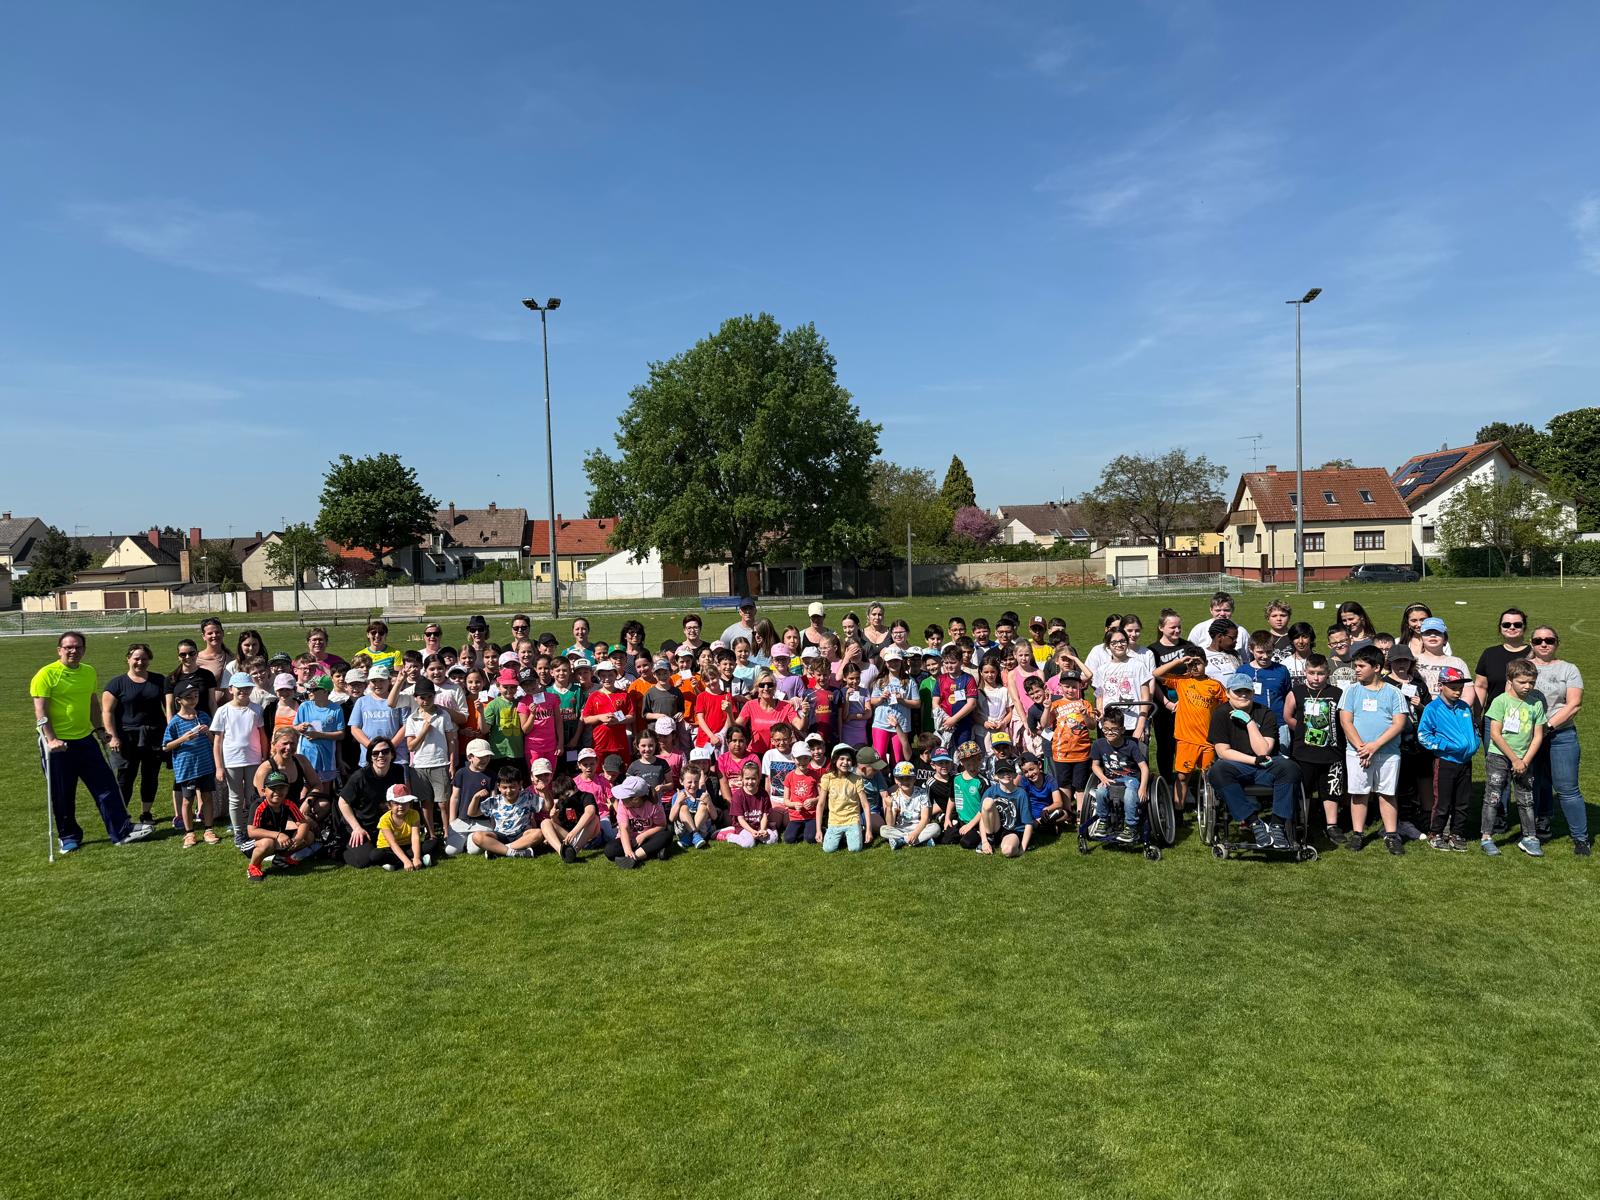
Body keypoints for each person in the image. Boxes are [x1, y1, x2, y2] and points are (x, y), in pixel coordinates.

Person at [1206, 673, 1302, 851]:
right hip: (1237, 765)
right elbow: (1223, 752)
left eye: (1247, 691)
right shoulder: (1220, 714)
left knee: (1290, 768)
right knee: (1217, 771)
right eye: (1238, 692)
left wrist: (1250, 723)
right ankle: (1254, 822)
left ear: (1253, 693)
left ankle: (1277, 825)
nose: (1243, 695)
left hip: (1265, 765)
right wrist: (1254, 760)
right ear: (1228, 693)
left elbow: (1263, 751)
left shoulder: (1265, 713)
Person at [1337, 648, 1409, 854]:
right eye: (1356, 666)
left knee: (1387, 794)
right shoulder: (1351, 691)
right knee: (1359, 793)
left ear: (1376, 668)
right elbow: (1346, 721)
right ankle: (1358, 834)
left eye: (1361, 666)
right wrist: (1362, 748)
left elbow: (1398, 724)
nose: (1356, 670)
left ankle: (1391, 835)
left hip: (1387, 753)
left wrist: (1374, 746)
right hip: (1357, 753)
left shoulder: (1394, 693)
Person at [1528, 625, 1588, 855]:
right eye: (1538, 640)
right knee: (1534, 785)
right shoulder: (1523, 666)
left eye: (1549, 640)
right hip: (1529, 737)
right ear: (1532, 643)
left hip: (1561, 735)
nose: (1544, 644)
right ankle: (1533, 831)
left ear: (1557, 643)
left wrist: (1548, 726)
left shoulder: (1568, 669)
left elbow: (1574, 704)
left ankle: (1580, 838)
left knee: (1567, 788)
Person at [337, 738, 437, 867]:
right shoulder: (360, 776)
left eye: (385, 751)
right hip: (364, 826)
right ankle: (338, 850)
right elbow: (342, 802)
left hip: (389, 825)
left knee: (429, 844)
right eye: (375, 753)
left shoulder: (398, 771)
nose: (380, 756)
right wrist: (356, 828)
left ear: (392, 754)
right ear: (370, 757)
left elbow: (402, 799)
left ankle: (401, 858)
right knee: (364, 860)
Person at [1482, 659, 1546, 857]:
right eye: (1522, 682)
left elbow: (1538, 735)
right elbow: (1495, 734)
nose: (1527, 686)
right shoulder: (1500, 701)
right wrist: (1514, 759)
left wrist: (1524, 761)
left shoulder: (1536, 703)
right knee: (1493, 796)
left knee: (1526, 797)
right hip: (1499, 756)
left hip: (1525, 758)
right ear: (1510, 680)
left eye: (1531, 682)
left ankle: (1530, 837)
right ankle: (1486, 836)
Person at [102, 643, 169, 826]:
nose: (140, 662)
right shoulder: (116, 684)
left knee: (150, 776)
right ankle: (121, 815)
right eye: (136, 658)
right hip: (126, 738)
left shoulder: (159, 680)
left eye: (144, 659)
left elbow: (169, 708)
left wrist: (171, 732)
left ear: (149, 660)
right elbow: (107, 712)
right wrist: (112, 736)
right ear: (128, 659)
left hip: (154, 735)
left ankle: (146, 813)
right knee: (125, 778)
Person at [1283, 653, 1344, 846]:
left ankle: (1332, 825)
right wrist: (1303, 730)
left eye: (1320, 673)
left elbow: (1344, 720)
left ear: (1328, 673)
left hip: (1332, 751)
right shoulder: (1296, 692)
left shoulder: (1337, 693)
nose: (1316, 678)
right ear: (1305, 672)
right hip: (1304, 752)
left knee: (1331, 789)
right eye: (1311, 673)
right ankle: (1303, 824)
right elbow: (1288, 716)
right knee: (1304, 790)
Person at [1417, 667, 1479, 851]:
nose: (1457, 691)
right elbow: (1423, 735)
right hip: (1445, 761)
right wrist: (1445, 746)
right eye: (1453, 688)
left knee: (1462, 801)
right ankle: (1436, 833)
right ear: (1441, 686)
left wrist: (1475, 742)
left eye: (1460, 688)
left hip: (1465, 762)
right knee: (1442, 801)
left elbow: (1473, 728)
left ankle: (1456, 833)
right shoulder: (1433, 708)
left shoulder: (1464, 707)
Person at [210, 671, 267, 850]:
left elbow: (262, 735)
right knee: (235, 798)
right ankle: (238, 832)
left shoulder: (256, 709)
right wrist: (219, 767)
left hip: (253, 759)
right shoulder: (223, 711)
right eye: (239, 688)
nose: (243, 691)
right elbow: (217, 741)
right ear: (231, 689)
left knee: (252, 796)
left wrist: (264, 756)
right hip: (232, 760)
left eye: (247, 688)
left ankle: (251, 828)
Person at [162, 683, 217, 847]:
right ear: (179, 700)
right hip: (186, 768)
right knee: (187, 800)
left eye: (196, 696)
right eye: (189, 697)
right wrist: (184, 738)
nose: (193, 700)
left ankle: (209, 829)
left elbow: (214, 741)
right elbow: (165, 746)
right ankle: (189, 833)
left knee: (207, 797)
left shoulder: (203, 716)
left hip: (206, 765)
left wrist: (208, 733)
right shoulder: (175, 722)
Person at [1087, 708, 1149, 844]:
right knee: (1100, 791)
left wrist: (1143, 788)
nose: (1109, 733)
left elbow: (1144, 767)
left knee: (1129, 794)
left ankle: (1131, 827)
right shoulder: (1099, 744)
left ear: (1122, 730)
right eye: (1106, 729)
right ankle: (1103, 821)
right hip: (1110, 778)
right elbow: (1095, 765)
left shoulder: (1131, 745)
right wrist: (1102, 778)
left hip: (1130, 778)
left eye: (1114, 729)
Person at [245, 769, 318, 881]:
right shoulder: (259, 806)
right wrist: (278, 835)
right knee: (268, 843)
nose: (277, 792)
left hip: (278, 838)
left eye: (281, 788)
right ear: (264, 791)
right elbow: (252, 832)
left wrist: (298, 838)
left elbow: (303, 823)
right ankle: (253, 866)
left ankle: (281, 858)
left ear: (287, 789)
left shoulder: (288, 803)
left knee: (308, 836)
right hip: (254, 842)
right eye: (273, 788)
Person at [468, 764, 550, 858]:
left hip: (522, 835)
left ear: (520, 784)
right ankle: (515, 852)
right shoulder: (494, 801)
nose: (509, 791)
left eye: (512, 786)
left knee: (538, 833)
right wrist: (475, 798)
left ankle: (499, 850)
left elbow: (548, 807)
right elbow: (472, 813)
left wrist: (545, 792)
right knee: (477, 836)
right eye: (505, 787)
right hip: (500, 836)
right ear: (498, 787)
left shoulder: (527, 797)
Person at [604, 775, 671, 868]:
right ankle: (653, 852)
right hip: (628, 839)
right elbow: (624, 828)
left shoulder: (653, 806)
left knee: (667, 835)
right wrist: (627, 850)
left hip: (648, 838)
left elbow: (661, 826)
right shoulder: (622, 804)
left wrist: (643, 836)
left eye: (624, 797)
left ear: (635, 799)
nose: (621, 799)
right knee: (610, 850)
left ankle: (635, 857)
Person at [446, 739, 497, 857]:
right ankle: (464, 840)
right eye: (481, 757)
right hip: (462, 820)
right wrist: (452, 821)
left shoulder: (492, 775)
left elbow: (493, 800)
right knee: (450, 851)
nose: (485, 760)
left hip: (482, 821)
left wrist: (493, 821)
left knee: (474, 851)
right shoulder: (461, 773)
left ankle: (471, 839)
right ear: (470, 757)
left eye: (487, 756)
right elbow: (455, 797)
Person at [819, 746, 872, 852]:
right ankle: (841, 835)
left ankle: (856, 831)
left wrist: (869, 830)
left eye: (848, 759)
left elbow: (865, 805)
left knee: (855, 848)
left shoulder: (857, 779)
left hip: (852, 819)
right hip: (834, 821)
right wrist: (818, 830)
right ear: (835, 760)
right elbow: (820, 804)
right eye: (842, 759)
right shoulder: (827, 778)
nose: (845, 762)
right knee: (828, 849)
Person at [977, 758, 1032, 857]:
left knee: (1008, 851)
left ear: (1015, 775)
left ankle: (1009, 843)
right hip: (996, 828)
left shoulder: (1021, 794)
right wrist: (984, 841)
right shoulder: (990, 791)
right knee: (987, 802)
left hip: (1013, 831)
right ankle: (990, 839)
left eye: (1009, 771)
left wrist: (1022, 848)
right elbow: (982, 818)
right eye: (1001, 772)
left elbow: (1028, 824)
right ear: (996, 776)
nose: (1006, 774)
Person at [881, 760, 941, 848]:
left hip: (919, 827)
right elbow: (890, 824)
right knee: (883, 830)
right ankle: (920, 840)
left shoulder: (922, 794)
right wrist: (889, 807)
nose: (905, 781)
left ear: (914, 779)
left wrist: (915, 833)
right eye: (901, 778)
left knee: (936, 828)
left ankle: (902, 840)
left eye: (908, 778)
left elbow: (925, 818)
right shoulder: (894, 796)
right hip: (901, 829)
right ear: (896, 780)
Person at [375, 783, 432, 870]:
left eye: (405, 803)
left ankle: (402, 862)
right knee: (376, 855)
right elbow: (392, 843)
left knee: (432, 843)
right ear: (389, 805)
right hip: (389, 848)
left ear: (409, 803)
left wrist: (416, 857)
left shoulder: (414, 814)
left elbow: (415, 837)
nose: (401, 806)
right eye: (396, 803)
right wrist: (406, 861)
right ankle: (409, 861)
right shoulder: (384, 819)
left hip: (408, 845)